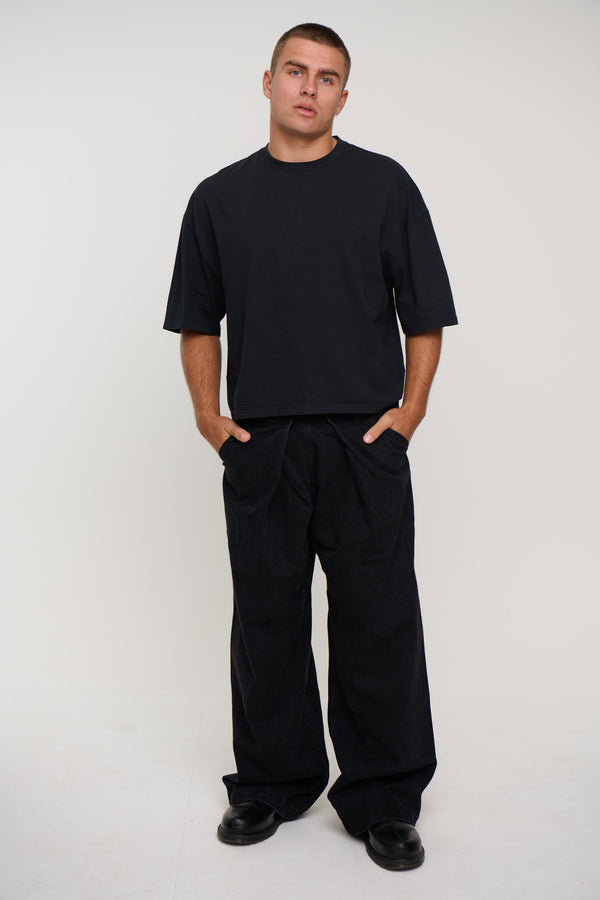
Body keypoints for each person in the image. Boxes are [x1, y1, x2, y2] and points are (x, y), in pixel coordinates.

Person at [163, 22, 458, 871]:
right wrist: (209, 417)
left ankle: (385, 798)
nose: (309, 87)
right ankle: (271, 782)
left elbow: (425, 312)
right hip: (264, 442)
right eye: (296, 71)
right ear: (268, 82)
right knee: (268, 618)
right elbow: (197, 319)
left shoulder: (384, 186)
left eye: (327, 77)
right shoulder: (218, 198)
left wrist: (410, 411)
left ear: (343, 96)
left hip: (363, 440)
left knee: (379, 621)